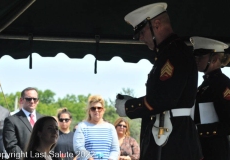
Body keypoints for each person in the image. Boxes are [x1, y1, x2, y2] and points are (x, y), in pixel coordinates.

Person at [115, 2, 202, 160]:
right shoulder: (168, 53)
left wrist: (129, 107)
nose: (141, 38)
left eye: (142, 32)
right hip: (172, 133)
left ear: (157, 24)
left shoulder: (174, 53)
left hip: (175, 138)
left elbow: (163, 99)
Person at [190, 36, 230, 160]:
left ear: (215, 59)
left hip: (215, 151)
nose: (196, 60)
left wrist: (197, 130)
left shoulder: (223, 84)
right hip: (202, 149)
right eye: (195, 56)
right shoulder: (205, 85)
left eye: (201, 57)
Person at [73, 95, 119, 160]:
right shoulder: (82, 126)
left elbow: (115, 149)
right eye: (93, 108)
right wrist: (88, 158)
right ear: (89, 111)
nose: (96, 110)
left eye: (99, 108)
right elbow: (78, 147)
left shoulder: (110, 128)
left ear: (103, 110)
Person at [3, 87, 43, 160]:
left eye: (35, 99)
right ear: (21, 100)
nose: (32, 101)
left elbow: (49, 142)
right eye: (28, 99)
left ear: (38, 101)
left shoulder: (43, 120)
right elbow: (11, 146)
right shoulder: (11, 120)